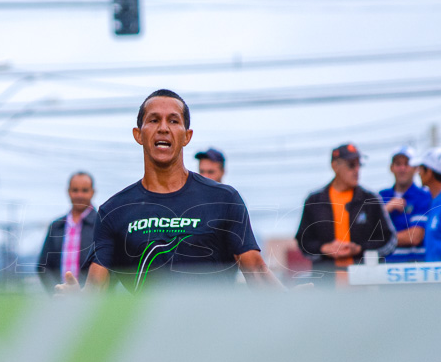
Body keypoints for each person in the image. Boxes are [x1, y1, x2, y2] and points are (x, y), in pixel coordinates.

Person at [57, 89, 283, 293]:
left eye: (173, 121)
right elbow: (96, 289)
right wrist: (76, 299)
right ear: (138, 134)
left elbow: (256, 271)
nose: (163, 128)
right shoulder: (114, 210)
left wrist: (288, 300)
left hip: (214, 335)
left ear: (187, 136)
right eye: (154, 120)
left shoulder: (225, 199)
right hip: (146, 338)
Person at [295, 143, 397, 279]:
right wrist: (324, 248)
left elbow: (390, 240)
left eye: (359, 165)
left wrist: (360, 249)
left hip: (364, 284)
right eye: (351, 165)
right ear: (335, 166)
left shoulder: (370, 200)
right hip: (326, 286)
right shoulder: (315, 201)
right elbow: (303, 241)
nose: (357, 170)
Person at [37, 171, 97, 292]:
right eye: (75, 190)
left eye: (84, 190)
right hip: (60, 299)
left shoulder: (102, 224)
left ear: (92, 192)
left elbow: (112, 267)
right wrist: (56, 291)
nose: (79, 195)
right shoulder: (56, 226)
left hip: (92, 299)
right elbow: (43, 267)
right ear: (68, 192)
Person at [379, 145, 431, 263]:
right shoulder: (381, 196)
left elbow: (415, 236)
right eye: (398, 164)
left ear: (415, 169)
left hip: (413, 269)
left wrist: (383, 239)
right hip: (385, 269)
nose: (402, 168)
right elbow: (368, 232)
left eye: (406, 164)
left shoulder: (423, 196)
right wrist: (386, 209)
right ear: (391, 168)